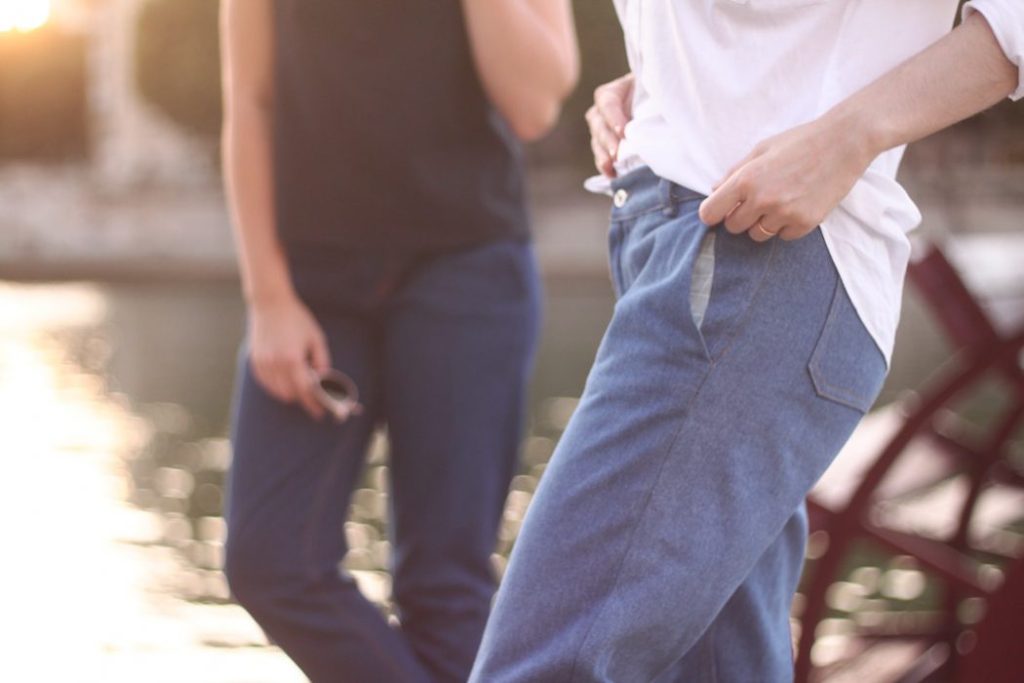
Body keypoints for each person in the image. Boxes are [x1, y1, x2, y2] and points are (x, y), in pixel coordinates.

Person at [469, 1, 1023, 681]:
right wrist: (660, 82)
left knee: (542, 665)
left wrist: (849, 136)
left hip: (756, 260)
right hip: (681, 253)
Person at [218, 1, 578, 681]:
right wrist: (268, 298)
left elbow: (532, 106)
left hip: (466, 273)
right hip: (313, 286)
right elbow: (249, 100)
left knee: (445, 586)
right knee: (271, 562)